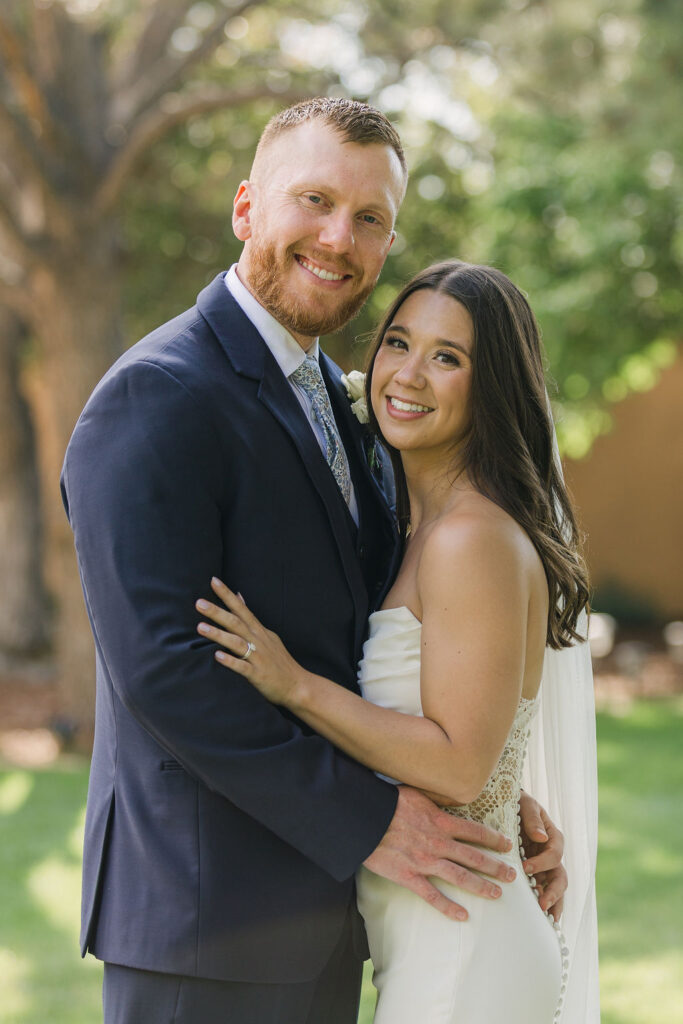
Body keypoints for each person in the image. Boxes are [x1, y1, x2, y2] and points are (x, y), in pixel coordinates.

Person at [61, 99, 568, 1024]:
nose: (340, 237)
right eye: (315, 201)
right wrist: (373, 821)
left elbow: (375, 636)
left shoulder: (346, 403)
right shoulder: (157, 397)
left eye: (369, 218)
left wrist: (483, 792)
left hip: (338, 918)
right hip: (206, 928)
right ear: (246, 207)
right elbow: (166, 674)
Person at [196, 260, 601, 1022]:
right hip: (437, 937)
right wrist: (508, 796)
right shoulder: (422, 529)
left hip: (462, 950)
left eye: (447, 358)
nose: (408, 375)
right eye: (398, 344)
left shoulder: (468, 540)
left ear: (492, 388)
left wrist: (294, 686)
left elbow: (457, 762)